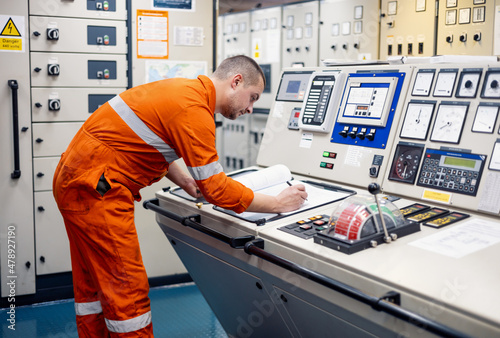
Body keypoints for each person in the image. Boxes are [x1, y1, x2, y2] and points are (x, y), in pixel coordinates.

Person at [53, 55, 308, 337]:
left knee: (93, 283)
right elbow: (217, 190)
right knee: (126, 289)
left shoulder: (183, 91)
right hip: (96, 191)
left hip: (76, 181)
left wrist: (186, 181)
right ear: (236, 82)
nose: (250, 108)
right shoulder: (195, 108)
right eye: (252, 97)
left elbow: (150, 142)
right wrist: (277, 203)